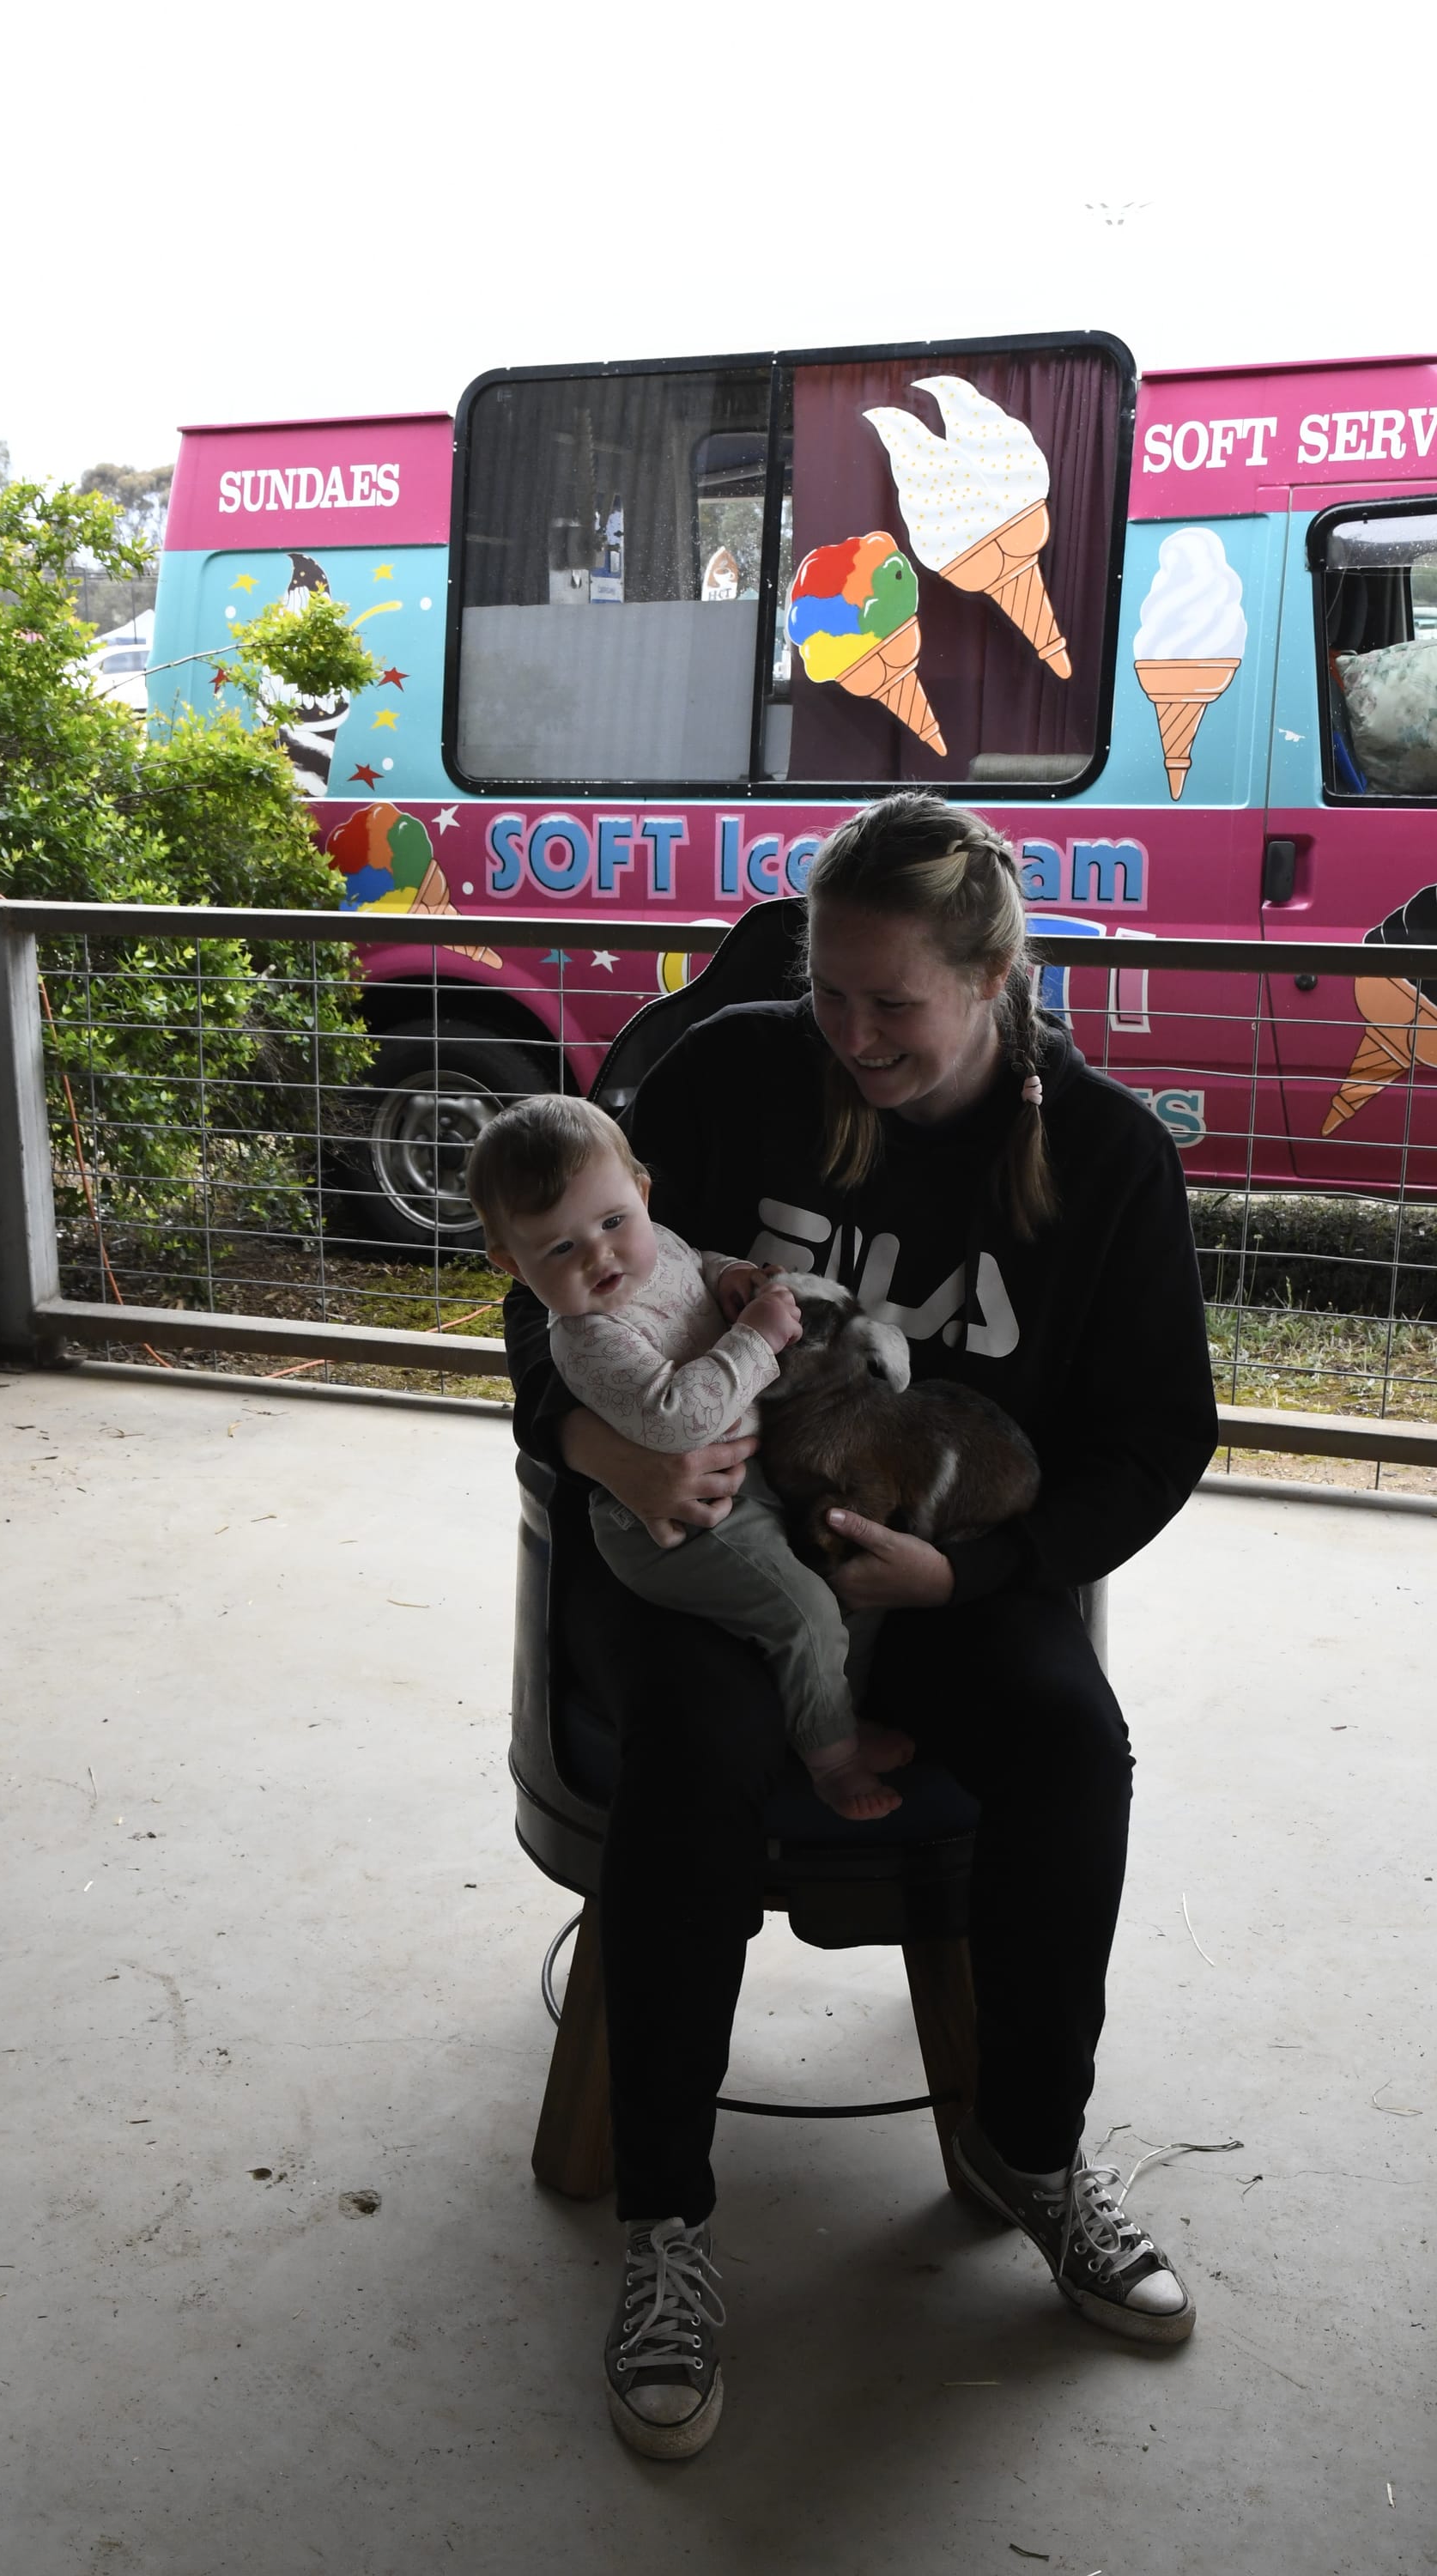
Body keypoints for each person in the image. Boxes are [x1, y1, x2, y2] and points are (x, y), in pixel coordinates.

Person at [501, 793, 1220, 2460]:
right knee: (697, 1747)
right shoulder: (729, 1073)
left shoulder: (1105, 1159)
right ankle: (669, 2230)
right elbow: (535, 1291)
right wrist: (604, 1443)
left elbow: (1151, 1439)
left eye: (891, 1004)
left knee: (1066, 1746)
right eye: (829, 991)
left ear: (989, 981)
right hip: (718, 1548)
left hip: (941, 1568)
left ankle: (1034, 2155)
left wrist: (967, 1579)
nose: (851, 1035)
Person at [467, 1094, 917, 1820]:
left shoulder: (656, 1243)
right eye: (558, 1249)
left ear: (641, 1194)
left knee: (845, 1569)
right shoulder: (588, 1338)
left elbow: (691, 1263)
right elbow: (677, 1419)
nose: (600, 1256)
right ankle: (833, 1763)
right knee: (804, 1614)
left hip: (750, 1479)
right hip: (683, 1527)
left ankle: (832, 1713)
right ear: (511, 1265)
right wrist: (758, 1338)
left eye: (613, 1222)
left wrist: (730, 1275)